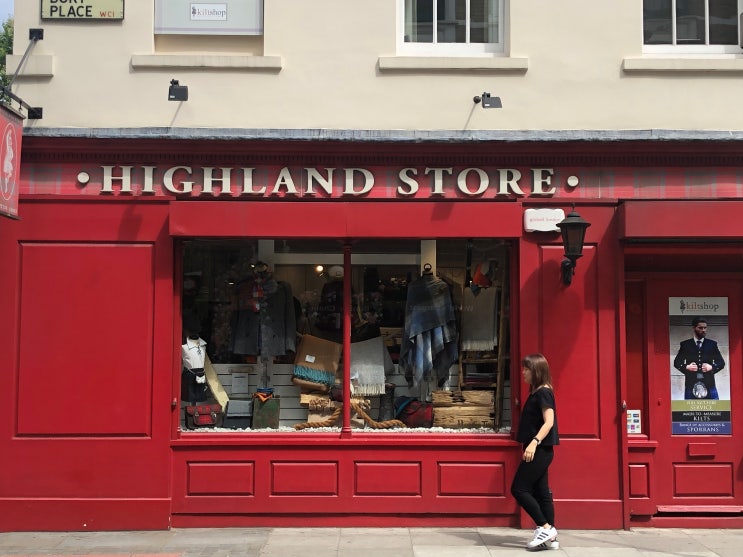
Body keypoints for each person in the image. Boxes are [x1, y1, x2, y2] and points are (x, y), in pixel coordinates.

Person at [511, 353, 560, 551]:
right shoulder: (538, 392)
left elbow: (549, 422)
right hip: (539, 450)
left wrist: (534, 443)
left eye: (526, 369)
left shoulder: (543, 393)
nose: (523, 372)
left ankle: (545, 527)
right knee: (542, 492)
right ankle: (552, 538)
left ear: (537, 371)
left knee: (519, 489)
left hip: (539, 450)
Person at [673, 317, 725, 400]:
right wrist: (687, 367)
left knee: (715, 407)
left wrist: (711, 367)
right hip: (691, 384)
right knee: (689, 407)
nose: (703, 330)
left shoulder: (712, 344)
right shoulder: (685, 345)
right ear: (694, 328)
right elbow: (677, 362)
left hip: (709, 383)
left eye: (705, 328)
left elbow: (721, 363)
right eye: (700, 328)